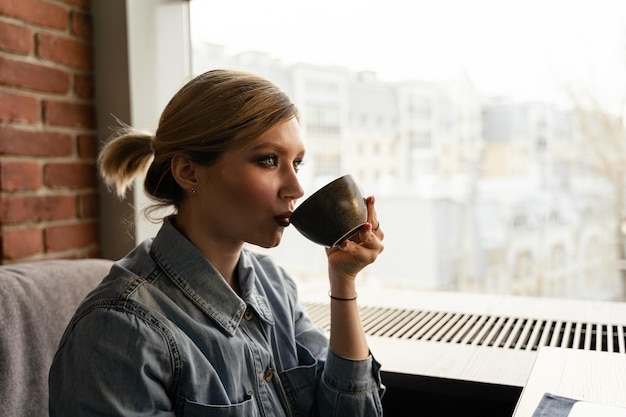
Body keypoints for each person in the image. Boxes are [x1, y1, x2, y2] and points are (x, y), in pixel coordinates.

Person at [49, 69, 385, 416]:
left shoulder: (274, 286)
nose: (296, 188)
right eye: (268, 160)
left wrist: (343, 283)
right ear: (189, 172)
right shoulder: (119, 330)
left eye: (296, 163)